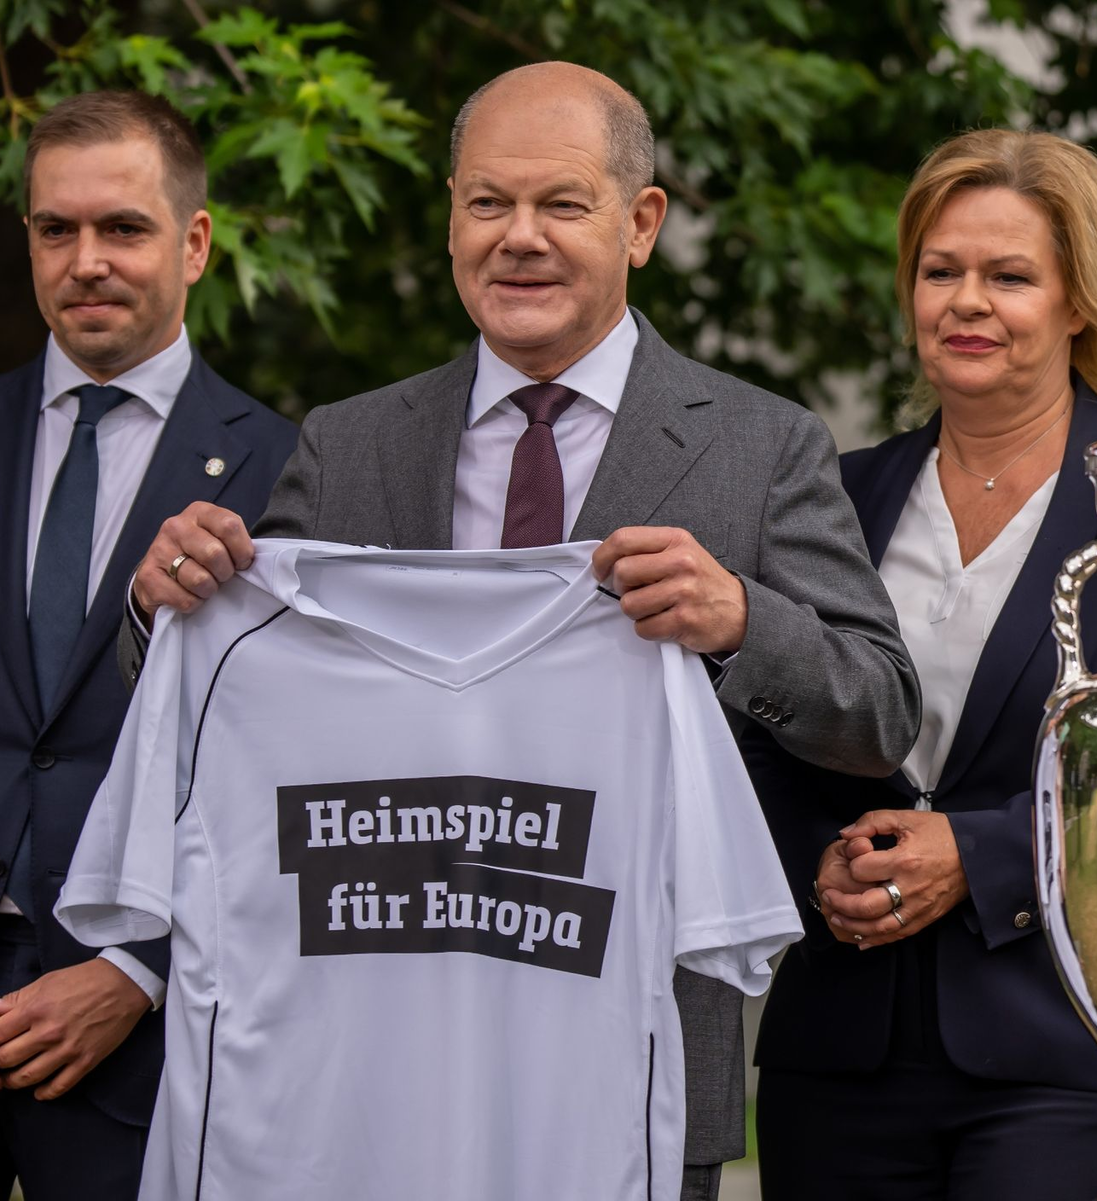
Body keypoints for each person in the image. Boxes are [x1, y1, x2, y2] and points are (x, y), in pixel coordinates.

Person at [125, 62, 920, 1200]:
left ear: (641, 223)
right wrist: (167, 605)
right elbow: (237, 699)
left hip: (625, 1054)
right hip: (364, 1055)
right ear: (451, 218)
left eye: (562, 204)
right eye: (488, 203)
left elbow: (880, 712)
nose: (520, 238)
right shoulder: (349, 444)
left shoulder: (761, 445)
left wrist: (742, 622)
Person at [753, 128, 1097, 1200]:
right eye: (940, 272)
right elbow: (760, 732)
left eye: (1009, 276)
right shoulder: (830, 496)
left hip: (1069, 1052)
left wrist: (983, 857)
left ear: (1078, 303)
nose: (967, 302)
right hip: (835, 1051)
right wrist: (816, 861)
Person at [0, 91, 297, 1200]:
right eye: (56, 229)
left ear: (196, 243)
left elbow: (293, 781)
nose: (86, 261)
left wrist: (138, 969)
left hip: (137, 1038)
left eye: (123, 227)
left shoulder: (290, 471)